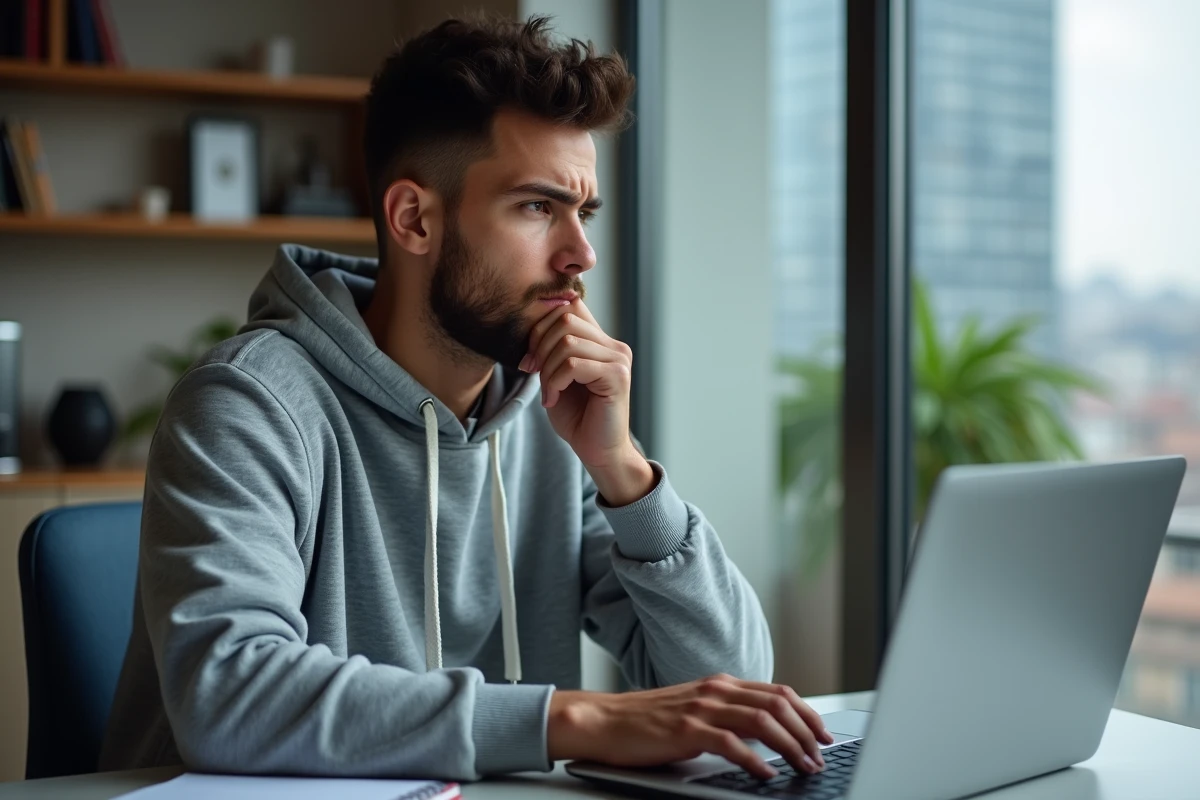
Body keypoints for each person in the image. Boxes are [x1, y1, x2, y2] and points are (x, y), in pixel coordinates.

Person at [99, 14, 832, 783]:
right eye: (537, 207)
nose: (580, 254)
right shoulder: (248, 406)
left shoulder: (556, 417)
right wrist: (567, 720)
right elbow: (226, 696)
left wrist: (624, 472)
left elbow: (733, 684)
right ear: (414, 218)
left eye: (582, 213)